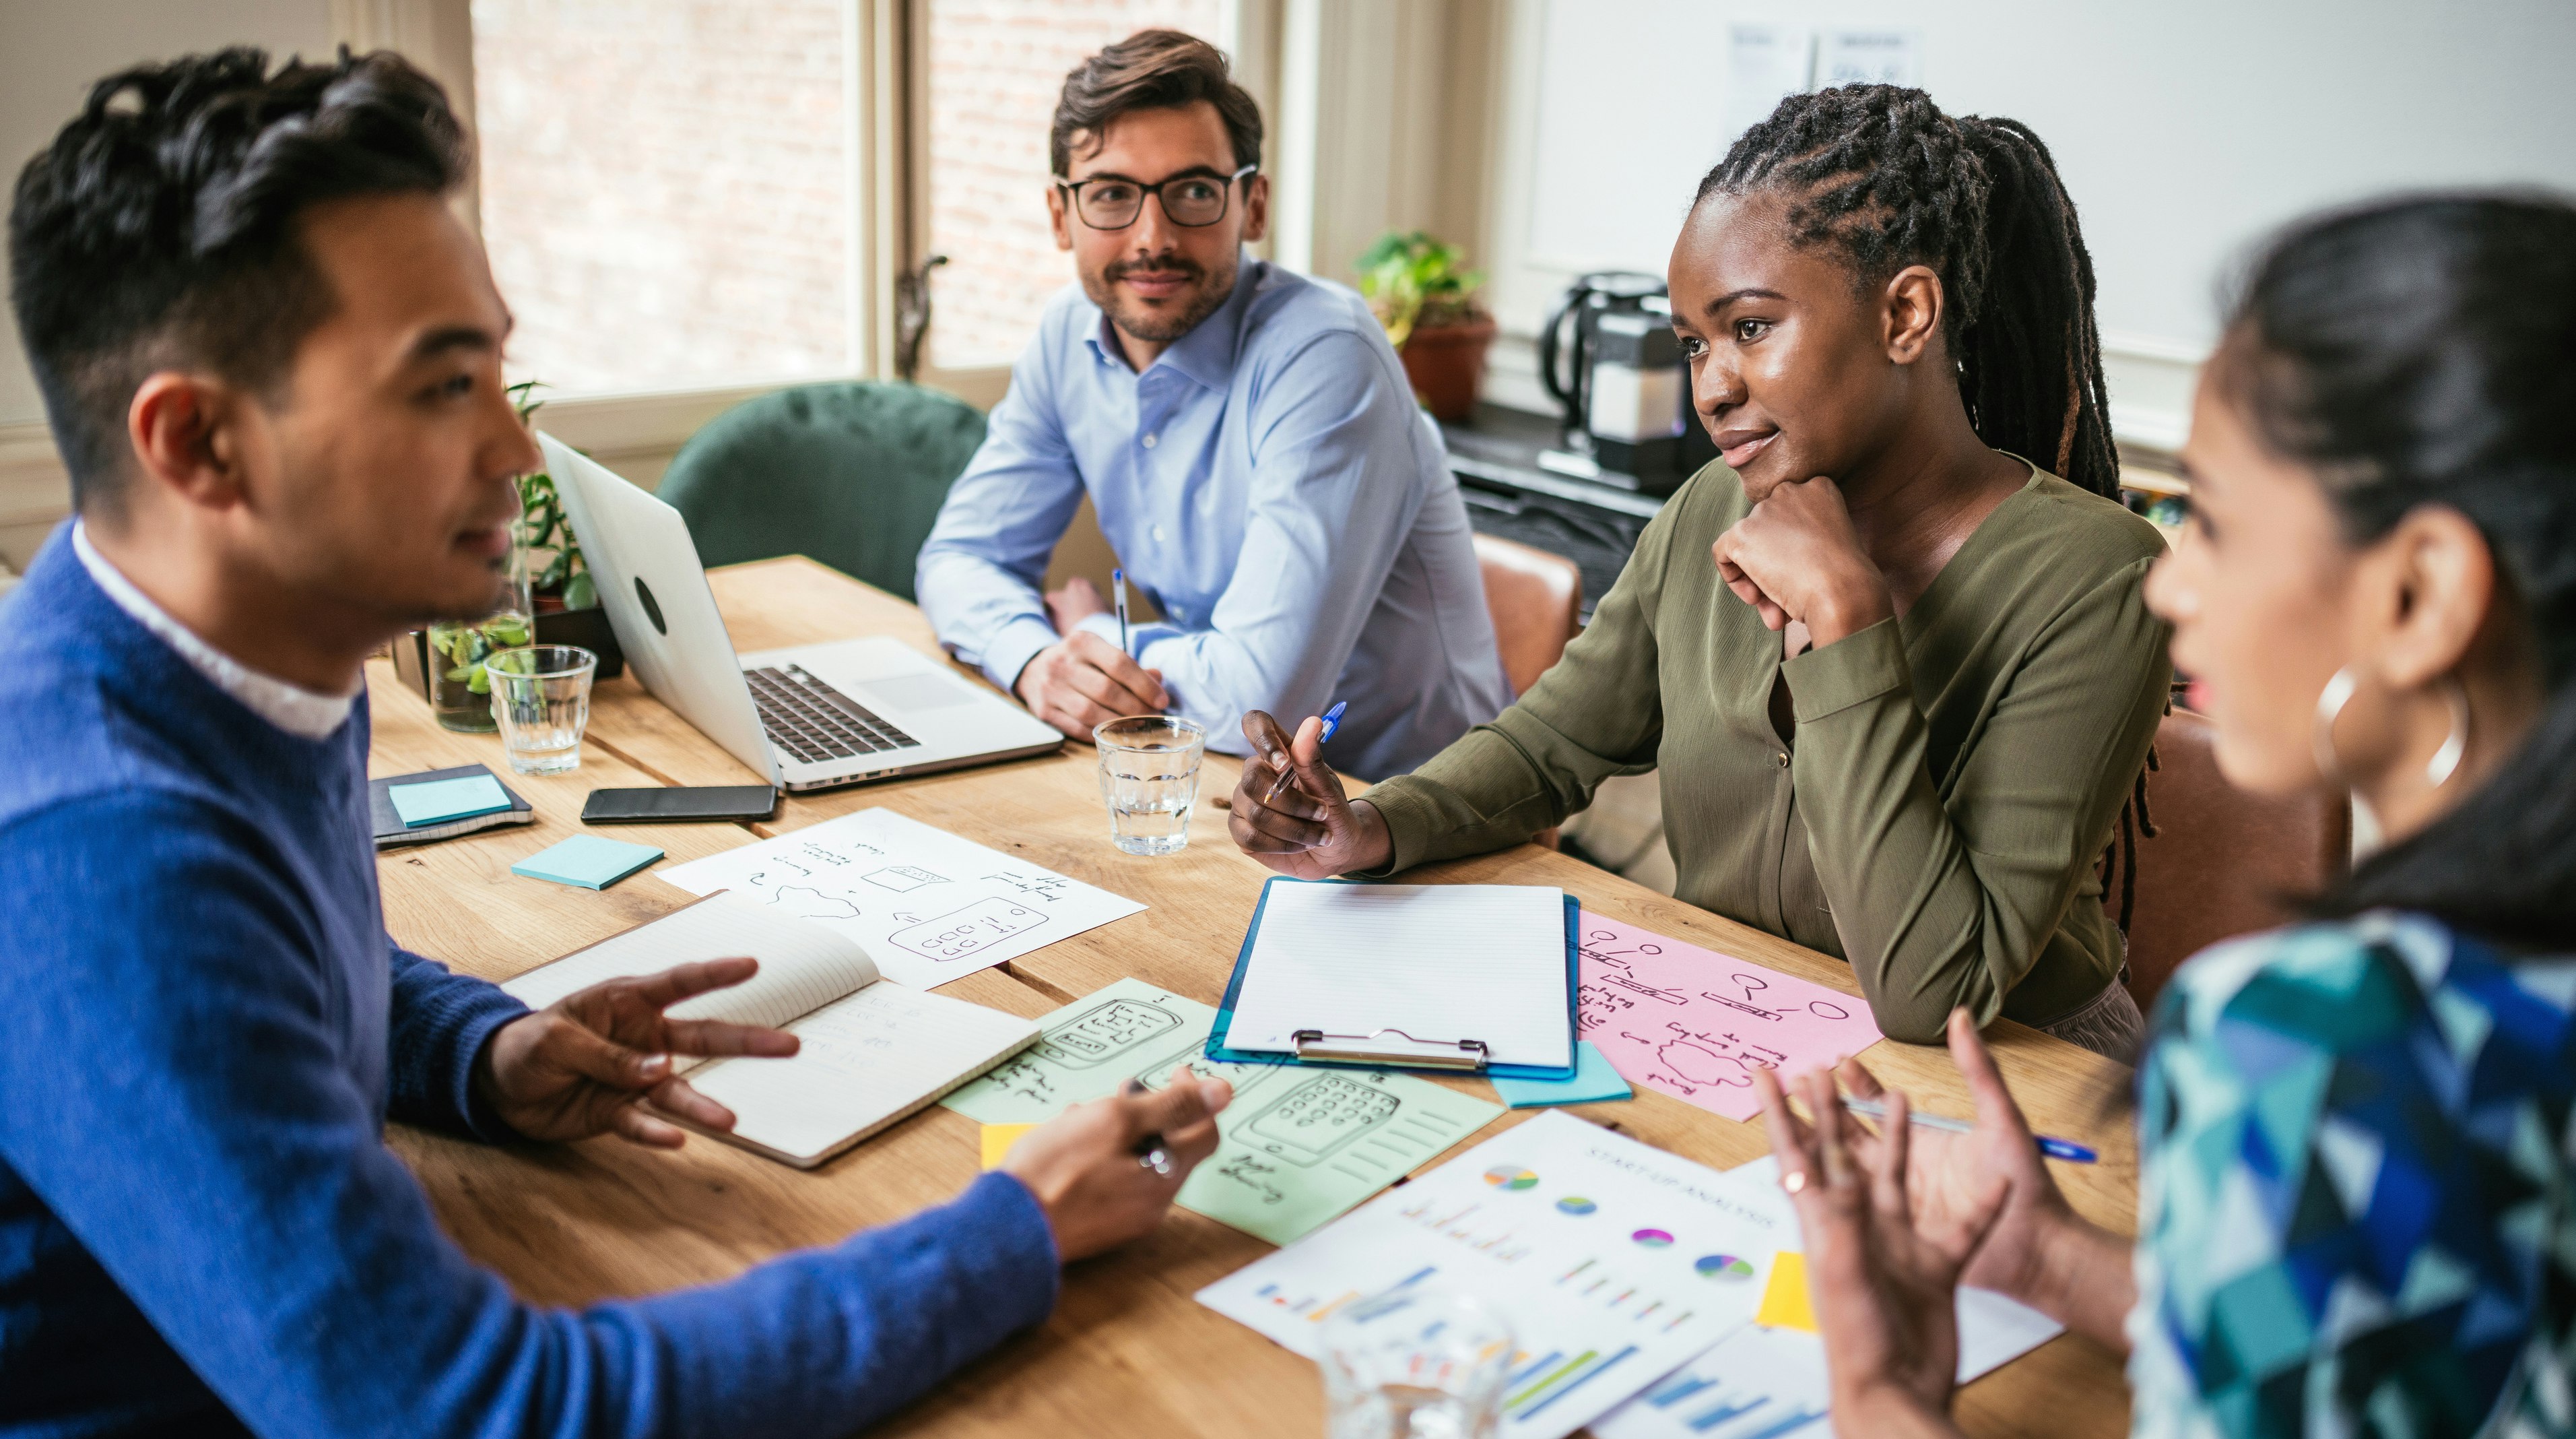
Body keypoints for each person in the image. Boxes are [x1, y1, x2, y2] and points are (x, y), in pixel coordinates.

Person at [0, 49, 1231, 1438]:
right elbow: (471, 1413)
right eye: (441, 387)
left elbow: (281, 965)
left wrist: (483, 1052)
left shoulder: (224, 654)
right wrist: (1015, 1228)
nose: (521, 462)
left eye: (498, 373)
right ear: (201, 448)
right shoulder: (100, 849)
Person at [1758, 193, 2576, 1437]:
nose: (2171, 576)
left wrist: (1880, 1397)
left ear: (2421, 595)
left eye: (2221, 525)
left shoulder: (2323, 1048)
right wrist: (2056, 1262)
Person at [1231, 86, 2170, 1056]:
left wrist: (1847, 623)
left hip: (2019, 1075)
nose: (1712, 388)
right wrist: (1371, 824)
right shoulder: (1707, 512)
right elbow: (1551, 743)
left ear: (1906, 315)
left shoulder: (2097, 578)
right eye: (1693, 344)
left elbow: (1936, 992)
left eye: (1752, 328)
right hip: (1739, 1023)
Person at [913, 30, 1510, 780]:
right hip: (1228, 790)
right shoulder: (1068, 337)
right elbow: (960, 557)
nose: (1151, 238)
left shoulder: (1327, 354)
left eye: (1194, 191)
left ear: (1252, 205)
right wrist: (1038, 660)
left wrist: (1094, 632)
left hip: (1415, 815)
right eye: (1110, 195)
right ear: (1061, 216)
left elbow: (1260, 701)